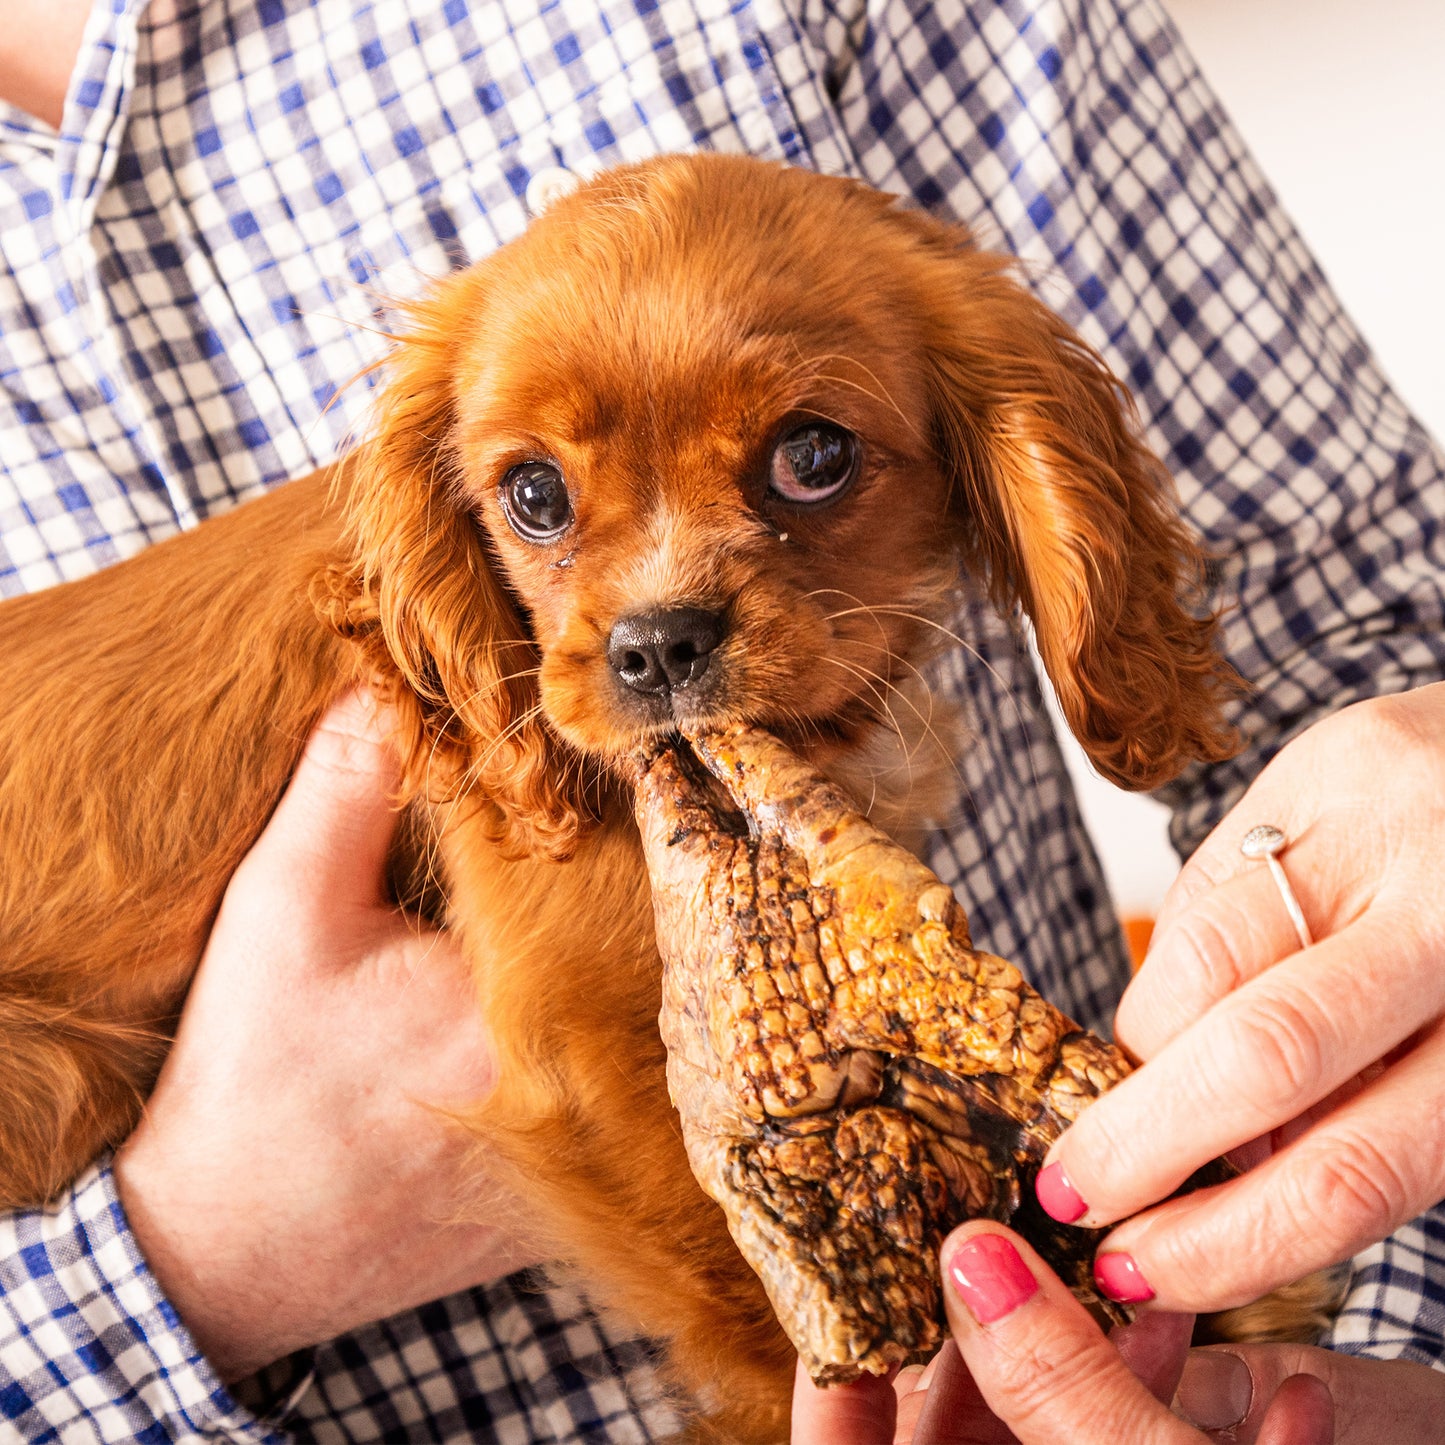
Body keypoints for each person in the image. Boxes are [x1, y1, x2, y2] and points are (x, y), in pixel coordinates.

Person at [1, 0, 1443, 1439]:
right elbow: (604, 1051)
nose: (657, 613)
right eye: (542, 502)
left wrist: (1347, 1364)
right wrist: (194, 1257)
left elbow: (1357, 651)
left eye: (807, 457)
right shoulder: (456, 612)